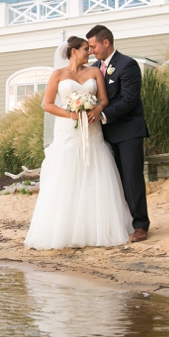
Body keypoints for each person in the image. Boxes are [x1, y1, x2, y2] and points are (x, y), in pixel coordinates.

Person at [23, 36, 134, 249]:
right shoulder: (58, 74)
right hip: (67, 130)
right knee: (66, 176)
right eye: (85, 49)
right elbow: (46, 105)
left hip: (92, 129)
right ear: (74, 51)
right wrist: (70, 113)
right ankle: (65, 229)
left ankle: (95, 229)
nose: (89, 52)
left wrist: (96, 109)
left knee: (94, 174)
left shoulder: (94, 72)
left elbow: (104, 100)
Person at [86, 25, 150, 242]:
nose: (91, 51)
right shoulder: (95, 67)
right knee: (114, 181)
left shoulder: (128, 65)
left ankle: (141, 225)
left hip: (129, 131)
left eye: (93, 46)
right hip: (103, 135)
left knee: (132, 179)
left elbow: (129, 100)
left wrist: (101, 114)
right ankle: (122, 223)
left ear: (106, 43)